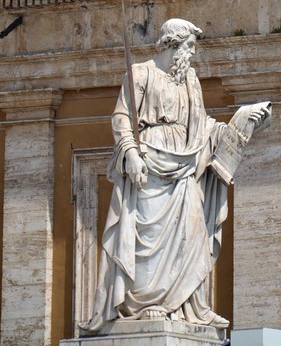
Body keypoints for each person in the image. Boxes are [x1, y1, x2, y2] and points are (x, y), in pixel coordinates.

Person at [83, 18, 270, 333]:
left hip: (185, 166)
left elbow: (202, 128)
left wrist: (242, 123)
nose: (193, 53)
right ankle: (145, 304)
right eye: (190, 46)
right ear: (172, 44)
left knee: (192, 232)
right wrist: (130, 153)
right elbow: (121, 117)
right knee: (149, 236)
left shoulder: (190, 81)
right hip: (149, 164)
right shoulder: (140, 74)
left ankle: (188, 305)